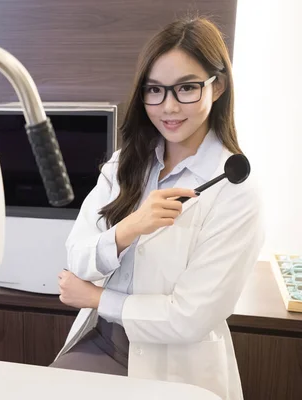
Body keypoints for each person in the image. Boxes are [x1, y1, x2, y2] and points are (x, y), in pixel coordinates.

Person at [49, 16, 264, 400]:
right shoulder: (125, 163)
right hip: (103, 340)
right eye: (155, 90)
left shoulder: (234, 190)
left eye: (186, 88)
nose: (168, 106)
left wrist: (98, 298)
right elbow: (76, 258)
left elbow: (189, 318)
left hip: (174, 365)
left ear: (218, 87)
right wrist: (130, 227)